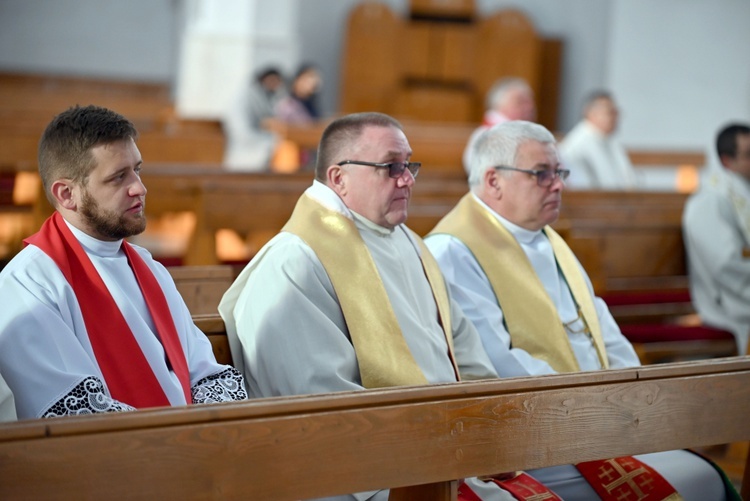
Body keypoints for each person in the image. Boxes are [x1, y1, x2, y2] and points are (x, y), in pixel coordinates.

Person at [220, 112, 556, 501]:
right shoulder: (295, 261)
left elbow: (465, 356)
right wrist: (439, 457)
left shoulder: (411, 245)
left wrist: (490, 436)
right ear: (338, 177)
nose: (407, 178)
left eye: (409, 165)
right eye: (391, 167)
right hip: (362, 478)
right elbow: (321, 410)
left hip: (446, 459)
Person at [426, 120, 729, 500]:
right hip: (532, 434)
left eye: (559, 172)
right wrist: (595, 413)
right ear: (493, 181)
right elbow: (497, 363)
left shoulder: (549, 238)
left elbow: (601, 325)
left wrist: (635, 401)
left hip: (602, 418)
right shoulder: (452, 251)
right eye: (542, 174)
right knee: (697, 479)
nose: (558, 184)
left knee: (702, 473)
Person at [0, 105, 247, 420]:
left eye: (138, 170)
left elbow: (204, 372)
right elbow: (75, 413)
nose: (140, 189)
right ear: (66, 194)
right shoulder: (29, 285)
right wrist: (177, 443)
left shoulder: (152, 271)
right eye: (118, 177)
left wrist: (214, 436)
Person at [683, 123, 750, 356]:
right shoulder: (709, 199)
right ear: (726, 160)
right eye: (748, 155)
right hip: (729, 303)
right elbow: (725, 264)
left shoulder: (744, 191)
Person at [559, 90, 638, 189]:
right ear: (590, 113)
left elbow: (628, 180)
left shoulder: (610, 141)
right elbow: (581, 186)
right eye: (610, 112)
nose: (616, 117)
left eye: (616, 112)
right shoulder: (577, 145)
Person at [463, 77, 536, 174]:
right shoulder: (485, 136)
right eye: (520, 102)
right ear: (498, 105)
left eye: (530, 101)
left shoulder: (536, 136)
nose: (530, 107)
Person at [222, 66, 287, 171]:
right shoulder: (245, 98)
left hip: (261, 139)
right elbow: (241, 131)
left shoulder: (270, 98)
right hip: (246, 146)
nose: (274, 85)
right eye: (272, 80)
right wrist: (271, 139)